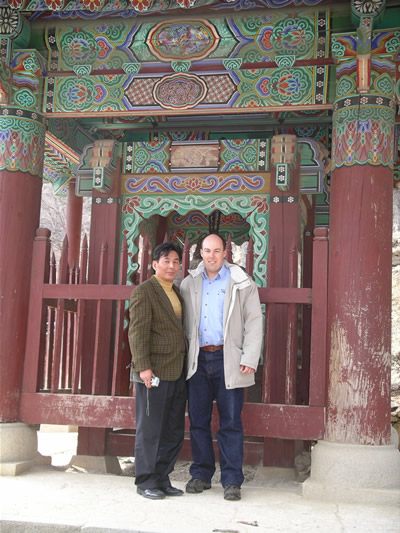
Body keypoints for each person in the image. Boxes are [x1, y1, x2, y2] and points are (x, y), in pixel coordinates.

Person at [180, 233, 262, 501]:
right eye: (206, 250)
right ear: (200, 252)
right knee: (198, 422)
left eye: (217, 250)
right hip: (198, 360)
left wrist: (249, 357)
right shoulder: (188, 283)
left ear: (225, 252)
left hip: (229, 358)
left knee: (230, 423)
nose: (211, 256)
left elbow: (253, 321)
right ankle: (201, 474)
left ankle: (231, 480)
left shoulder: (241, 282)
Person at [128, 242, 187, 500]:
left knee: (173, 429)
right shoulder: (145, 291)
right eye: (166, 261)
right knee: (150, 428)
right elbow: (137, 331)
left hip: (177, 370)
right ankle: (145, 480)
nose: (171, 266)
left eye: (175, 261)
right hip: (153, 372)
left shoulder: (177, 291)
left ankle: (163, 477)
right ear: (154, 264)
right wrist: (144, 368)